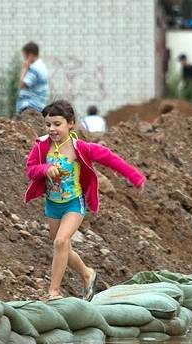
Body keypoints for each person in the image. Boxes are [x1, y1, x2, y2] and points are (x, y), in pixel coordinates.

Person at [24, 100, 146, 301]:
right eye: (48, 125)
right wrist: (45, 169)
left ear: (70, 123)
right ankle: (88, 274)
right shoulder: (41, 147)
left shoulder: (80, 148)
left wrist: (135, 177)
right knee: (62, 247)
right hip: (52, 205)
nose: (52, 129)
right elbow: (30, 170)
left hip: (74, 203)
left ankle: (53, 291)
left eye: (57, 124)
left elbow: (110, 158)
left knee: (61, 241)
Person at [17, 42, 49, 115]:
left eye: (25, 56)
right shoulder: (41, 66)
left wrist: (24, 68)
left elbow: (23, 84)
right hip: (37, 104)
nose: (24, 59)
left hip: (31, 105)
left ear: (30, 55)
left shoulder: (35, 68)